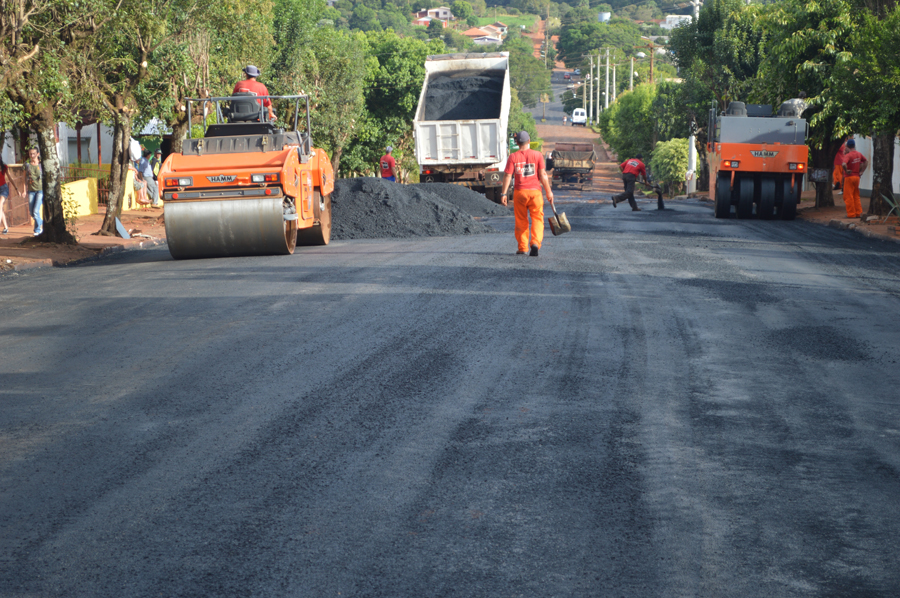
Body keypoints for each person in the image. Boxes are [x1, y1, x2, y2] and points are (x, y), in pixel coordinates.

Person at [500, 130, 554, 256]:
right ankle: (535, 243)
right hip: (535, 193)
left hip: (520, 193)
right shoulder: (538, 155)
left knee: (521, 220)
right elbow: (543, 175)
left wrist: (503, 194)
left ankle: (523, 247)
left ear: (517, 143)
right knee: (537, 219)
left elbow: (508, 176)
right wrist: (549, 192)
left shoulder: (513, 157)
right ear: (529, 141)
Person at [841, 139, 867, 219]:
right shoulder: (859, 154)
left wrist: (846, 170)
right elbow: (866, 161)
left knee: (848, 196)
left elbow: (844, 164)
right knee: (856, 196)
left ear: (847, 147)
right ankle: (858, 213)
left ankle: (851, 214)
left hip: (849, 178)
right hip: (857, 177)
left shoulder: (848, 155)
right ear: (854, 145)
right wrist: (862, 171)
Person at [1, 155, 22, 234]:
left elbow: (10, 178)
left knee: (0, 205)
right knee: (0, 209)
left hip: (3, 189)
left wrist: (16, 189)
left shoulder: (4, 167)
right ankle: (6, 227)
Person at [25, 147, 43, 236]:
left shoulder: (41, 164)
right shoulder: (27, 165)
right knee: (32, 212)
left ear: (38, 154)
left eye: (33, 154)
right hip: (31, 190)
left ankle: (37, 229)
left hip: (40, 190)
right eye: (30, 154)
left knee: (36, 211)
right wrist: (24, 190)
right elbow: (25, 178)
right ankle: (42, 222)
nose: (31, 156)